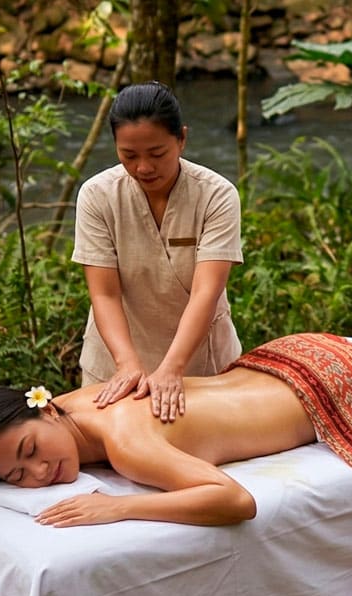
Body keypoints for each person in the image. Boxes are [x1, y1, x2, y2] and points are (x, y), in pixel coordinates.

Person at [0, 363, 316, 528]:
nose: (40, 470)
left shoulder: (125, 443)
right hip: (283, 364)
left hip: (319, 394)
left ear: (47, 413)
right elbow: (4, 428)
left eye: (30, 450)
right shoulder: (71, 404)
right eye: (18, 474)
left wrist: (118, 507)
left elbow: (236, 501)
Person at [72, 81, 243, 423]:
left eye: (157, 153)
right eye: (129, 156)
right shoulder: (97, 196)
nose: (144, 168)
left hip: (199, 363)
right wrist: (127, 365)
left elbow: (206, 292)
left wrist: (172, 367)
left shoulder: (217, 196)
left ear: (181, 138)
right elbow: (104, 294)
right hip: (115, 360)